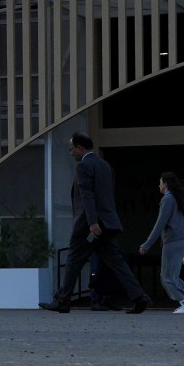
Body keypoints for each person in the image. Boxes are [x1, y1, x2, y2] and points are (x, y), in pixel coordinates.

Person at [41, 133, 148, 315]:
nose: (71, 153)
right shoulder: (106, 166)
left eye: (72, 149)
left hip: (89, 224)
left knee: (74, 259)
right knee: (117, 263)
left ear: (80, 148)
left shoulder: (84, 166)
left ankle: (63, 301)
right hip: (108, 223)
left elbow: (87, 196)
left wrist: (92, 222)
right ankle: (140, 297)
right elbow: (106, 195)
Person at [136, 171, 184, 314]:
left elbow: (160, 223)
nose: (158, 185)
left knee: (166, 277)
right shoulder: (180, 199)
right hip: (183, 240)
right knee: (172, 275)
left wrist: (147, 244)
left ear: (165, 184)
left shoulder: (167, 199)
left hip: (172, 241)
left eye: (160, 182)